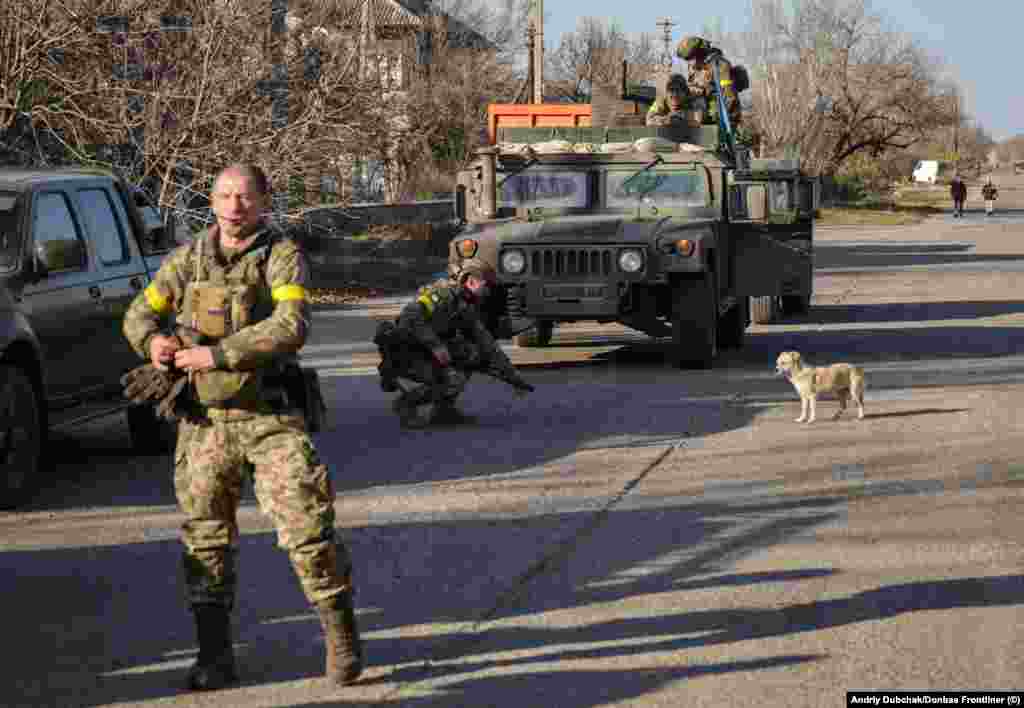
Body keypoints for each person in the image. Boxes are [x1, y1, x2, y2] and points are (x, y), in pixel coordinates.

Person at [122, 164, 363, 691]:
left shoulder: (281, 255)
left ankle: (342, 638)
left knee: (306, 529)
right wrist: (155, 345)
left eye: (246, 197)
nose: (235, 206)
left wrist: (218, 354)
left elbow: (290, 326)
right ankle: (214, 657)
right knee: (205, 539)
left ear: (264, 202)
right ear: (211, 201)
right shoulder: (188, 259)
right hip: (204, 422)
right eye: (226, 196)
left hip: (269, 416)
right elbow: (139, 313)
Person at [375, 259, 533, 428]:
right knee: (453, 378)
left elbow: (488, 345)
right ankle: (406, 403)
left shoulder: (466, 306)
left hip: (424, 352)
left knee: (473, 355)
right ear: (472, 281)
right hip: (407, 351)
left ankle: (443, 412)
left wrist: (514, 378)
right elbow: (411, 316)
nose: (488, 291)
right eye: (486, 286)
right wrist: (436, 346)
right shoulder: (443, 294)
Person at [676, 35, 742, 129]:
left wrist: (722, 120)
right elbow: (693, 87)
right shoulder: (694, 67)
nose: (689, 62)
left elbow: (729, 96)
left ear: (699, 53)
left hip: (722, 117)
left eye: (689, 58)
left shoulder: (719, 65)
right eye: (687, 59)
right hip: (702, 112)